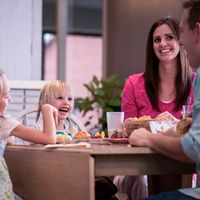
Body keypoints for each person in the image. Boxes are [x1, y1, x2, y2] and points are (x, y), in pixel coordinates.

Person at [114, 16, 196, 200]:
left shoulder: (196, 82)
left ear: (180, 41)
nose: (162, 44)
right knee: (140, 178)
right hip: (138, 167)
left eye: (169, 37)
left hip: (181, 165)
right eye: (157, 39)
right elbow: (128, 131)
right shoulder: (134, 83)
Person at [0, 69, 58, 199]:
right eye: (5, 96)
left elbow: (9, 141)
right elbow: (49, 138)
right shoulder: (4, 122)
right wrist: (47, 109)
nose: (10, 99)